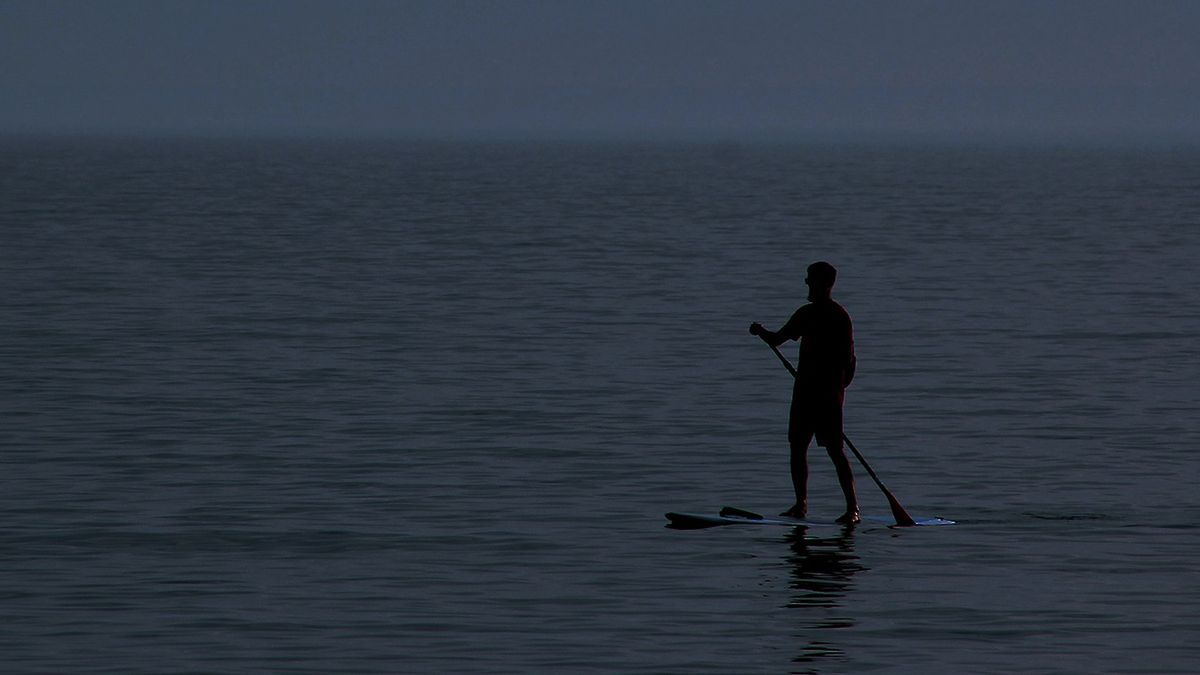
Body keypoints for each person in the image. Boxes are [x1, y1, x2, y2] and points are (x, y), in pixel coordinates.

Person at [750, 261, 859, 524]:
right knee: (799, 447)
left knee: (833, 450)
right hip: (810, 393)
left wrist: (759, 331)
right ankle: (801, 505)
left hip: (823, 395)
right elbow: (778, 339)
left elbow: (848, 360)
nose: (806, 283)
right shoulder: (817, 314)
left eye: (810, 279)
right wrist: (762, 333)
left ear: (822, 283)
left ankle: (852, 508)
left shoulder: (830, 315)